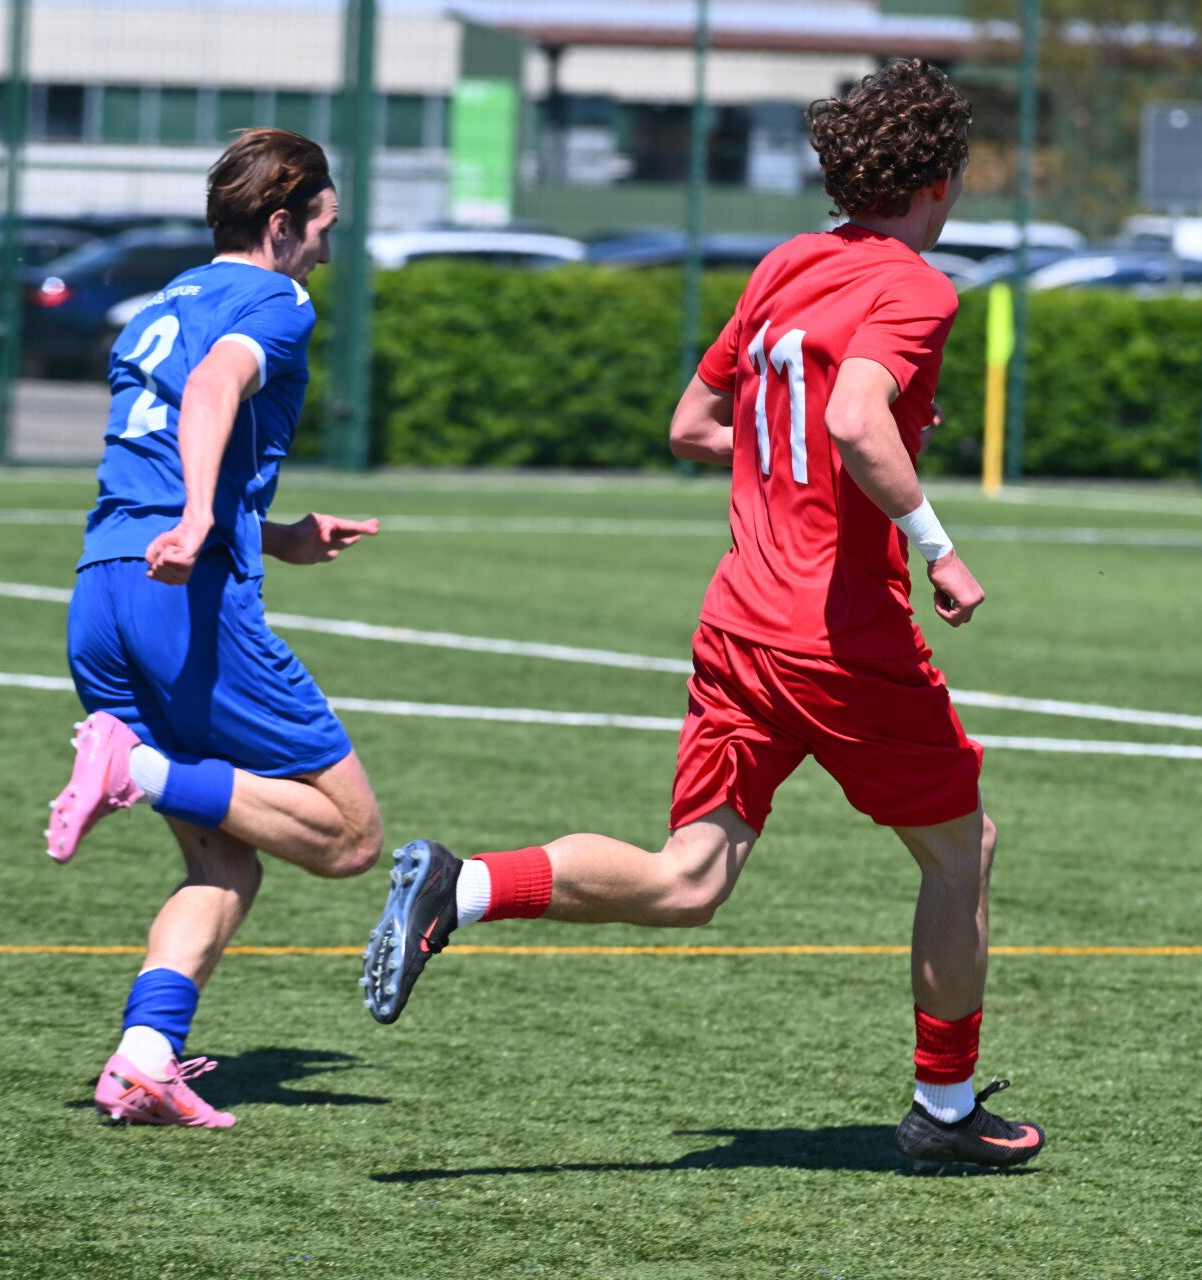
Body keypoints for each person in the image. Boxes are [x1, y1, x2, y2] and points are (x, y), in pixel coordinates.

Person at [361, 61, 1044, 1170]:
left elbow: (692, 424)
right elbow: (856, 419)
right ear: (939, 181)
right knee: (965, 852)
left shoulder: (787, 264)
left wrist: (790, 456)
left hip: (738, 623)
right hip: (838, 636)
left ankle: (464, 883)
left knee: (690, 879)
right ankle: (947, 1106)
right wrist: (940, 548)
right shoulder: (917, 287)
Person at [45, 128, 386, 1128]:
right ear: (282, 224)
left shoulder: (165, 302)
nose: (327, 247)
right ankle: (138, 770)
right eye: (324, 226)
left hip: (105, 589)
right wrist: (203, 520)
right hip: (182, 596)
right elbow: (211, 390)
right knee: (350, 838)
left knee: (225, 861)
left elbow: (159, 440)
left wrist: (271, 534)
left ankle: (144, 1058)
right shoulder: (275, 299)